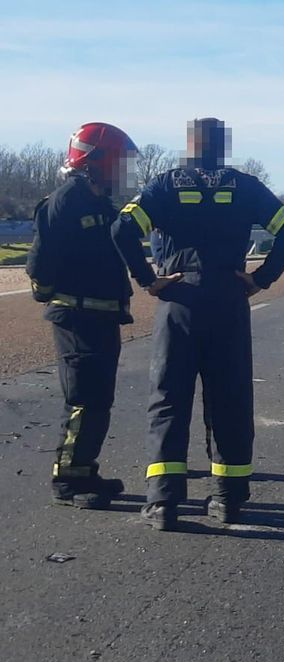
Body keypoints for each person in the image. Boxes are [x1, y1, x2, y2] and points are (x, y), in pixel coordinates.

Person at [111, 118, 284, 530]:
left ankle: (163, 504)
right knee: (230, 399)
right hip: (229, 300)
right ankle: (228, 499)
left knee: (168, 399)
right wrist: (260, 279)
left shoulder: (166, 185)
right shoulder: (245, 185)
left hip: (179, 299)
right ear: (223, 147)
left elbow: (123, 228)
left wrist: (148, 280)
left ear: (189, 146)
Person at [26, 122, 138, 509]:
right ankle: (68, 482)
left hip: (102, 318)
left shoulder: (100, 204)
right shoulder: (65, 201)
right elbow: (41, 264)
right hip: (77, 318)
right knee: (83, 399)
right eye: (119, 163)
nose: (124, 171)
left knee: (98, 399)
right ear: (97, 162)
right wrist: (52, 296)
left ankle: (85, 469)